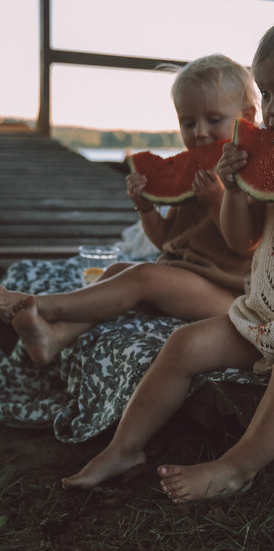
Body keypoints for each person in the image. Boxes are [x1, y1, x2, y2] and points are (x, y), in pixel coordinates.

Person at [59, 9, 274, 499]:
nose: (272, 109)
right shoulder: (269, 162)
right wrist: (236, 190)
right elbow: (244, 241)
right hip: (262, 314)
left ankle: (236, 468)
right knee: (183, 345)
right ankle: (123, 447)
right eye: (268, 93)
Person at [0, 54, 257, 366]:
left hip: (231, 297)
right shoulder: (192, 172)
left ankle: (43, 306)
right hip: (181, 278)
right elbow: (165, 242)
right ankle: (56, 337)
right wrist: (146, 207)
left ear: (248, 116)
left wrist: (218, 201)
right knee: (118, 272)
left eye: (214, 120)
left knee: (143, 275)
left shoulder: (248, 175)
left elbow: (248, 248)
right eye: (188, 122)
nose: (200, 132)